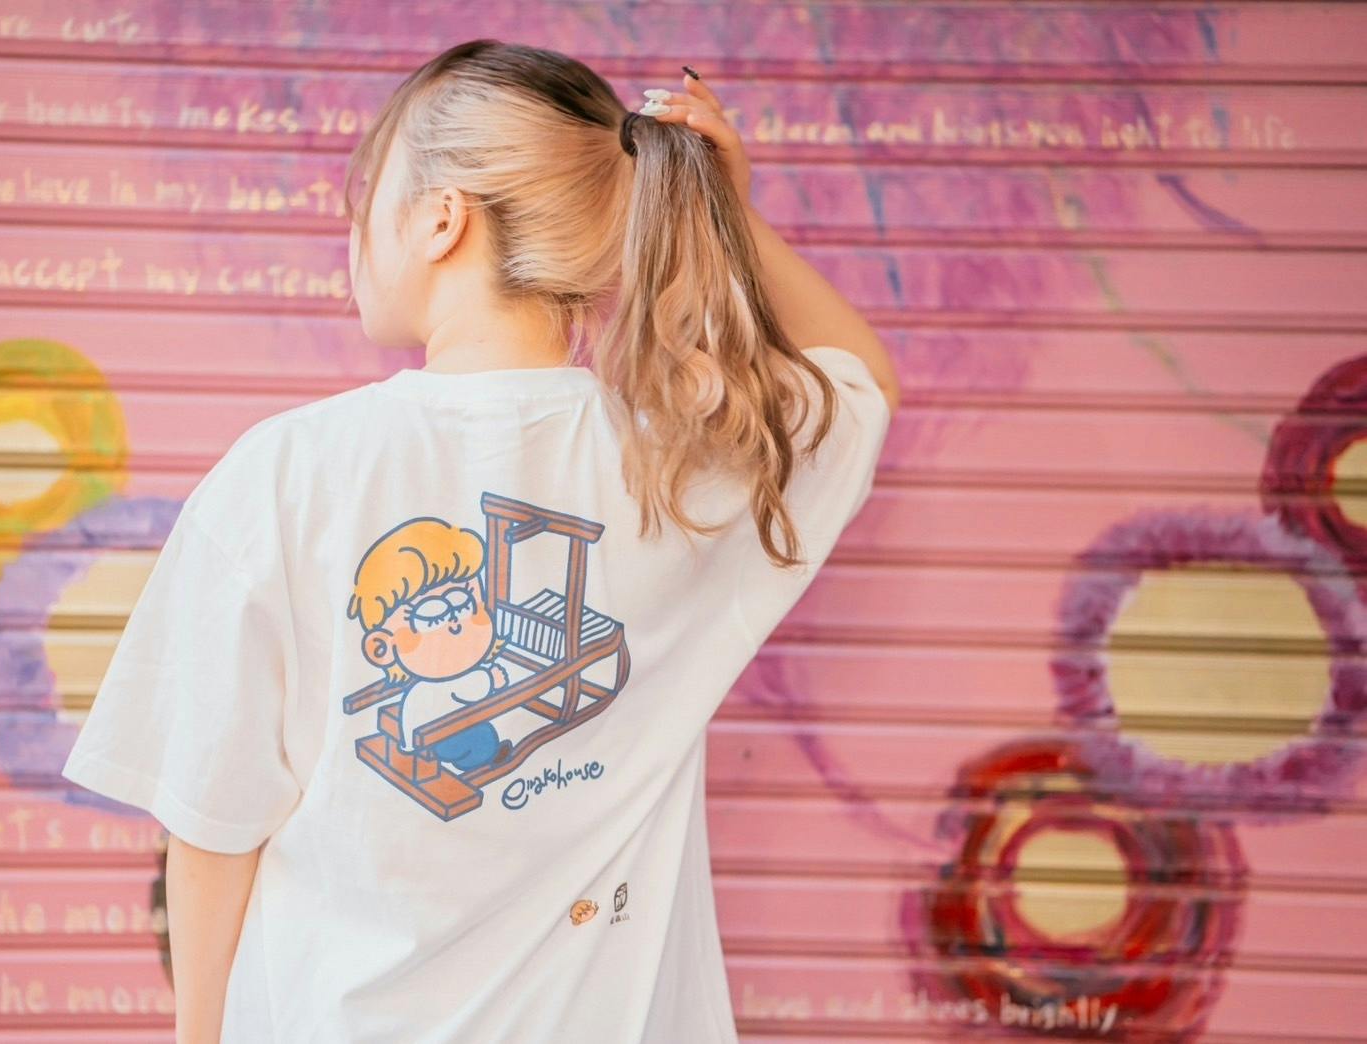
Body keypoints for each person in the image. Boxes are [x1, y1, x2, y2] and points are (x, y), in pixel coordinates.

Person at [61, 37, 900, 1044]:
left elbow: (211, 828)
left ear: (441, 218)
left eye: (365, 197)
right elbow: (860, 379)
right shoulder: (682, 473)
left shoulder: (285, 473)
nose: (351, 233)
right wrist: (730, 213)